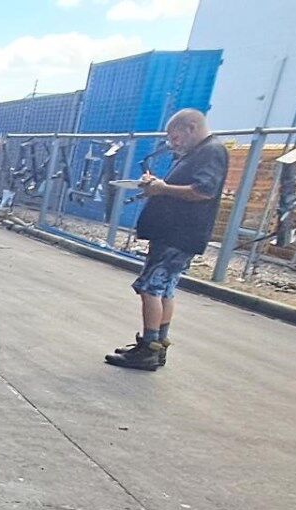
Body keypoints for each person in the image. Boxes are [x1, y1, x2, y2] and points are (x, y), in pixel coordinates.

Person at [105, 108, 228, 371]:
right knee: (165, 288)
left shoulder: (210, 151)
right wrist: (157, 184)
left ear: (191, 127)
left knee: (150, 288)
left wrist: (162, 188)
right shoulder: (200, 152)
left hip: (178, 233)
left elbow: (203, 190)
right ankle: (157, 345)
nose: (174, 143)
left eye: (176, 137)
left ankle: (148, 350)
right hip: (177, 233)